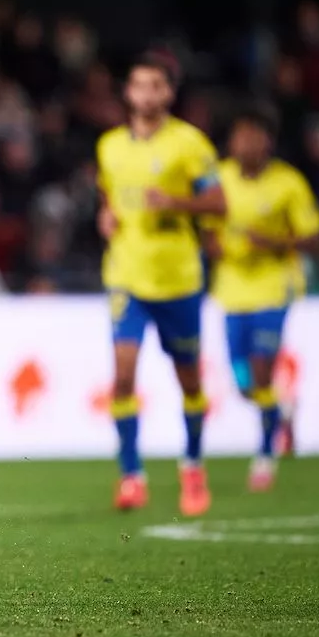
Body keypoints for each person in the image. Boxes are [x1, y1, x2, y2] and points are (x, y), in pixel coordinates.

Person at [96, 52, 226, 516]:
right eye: (138, 85)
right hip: (127, 277)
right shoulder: (110, 145)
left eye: (155, 86)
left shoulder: (191, 144)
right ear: (128, 93)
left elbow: (218, 203)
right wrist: (107, 216)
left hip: (177, 279)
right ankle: (131, 475)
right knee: (124, 374)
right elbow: (110, 196)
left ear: (169, 92)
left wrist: (174, 201)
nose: (146, 94)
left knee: (188, 379)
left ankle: (192, 466)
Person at [202, 109, 319, 492]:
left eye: (253, 137)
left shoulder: (288, 183)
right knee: (243, 385)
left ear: (267, 141)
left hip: (275, 287)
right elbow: (204, 228)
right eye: (240, 137)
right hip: (232, 289)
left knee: (261, 368)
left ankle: (265, 455)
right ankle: (282, 411)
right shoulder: (218, 178)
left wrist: (274, 244)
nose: (246, 145)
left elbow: (314, 239)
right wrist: (212, 246)